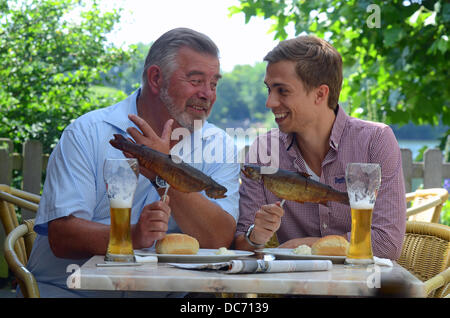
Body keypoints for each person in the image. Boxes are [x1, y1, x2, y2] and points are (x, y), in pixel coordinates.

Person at [26, 28, 240, 297]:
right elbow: (62, 236)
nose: (207, 94)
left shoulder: (218, 145)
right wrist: (134, 235)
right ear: (155, 78)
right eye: (196, 81)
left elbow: (218, 238)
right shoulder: (87, 132)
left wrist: (164, 170)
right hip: (71, 290)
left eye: (213, 84)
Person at [235, 35, 406, 260]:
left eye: (282, 91)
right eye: (269, 90)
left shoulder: (375, 140)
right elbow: (241, 246)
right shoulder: (263, 151)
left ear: (320, 94)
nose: (270, 103)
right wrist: (255, 236)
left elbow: (387, 244)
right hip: (296, 290)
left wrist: (306, 245)